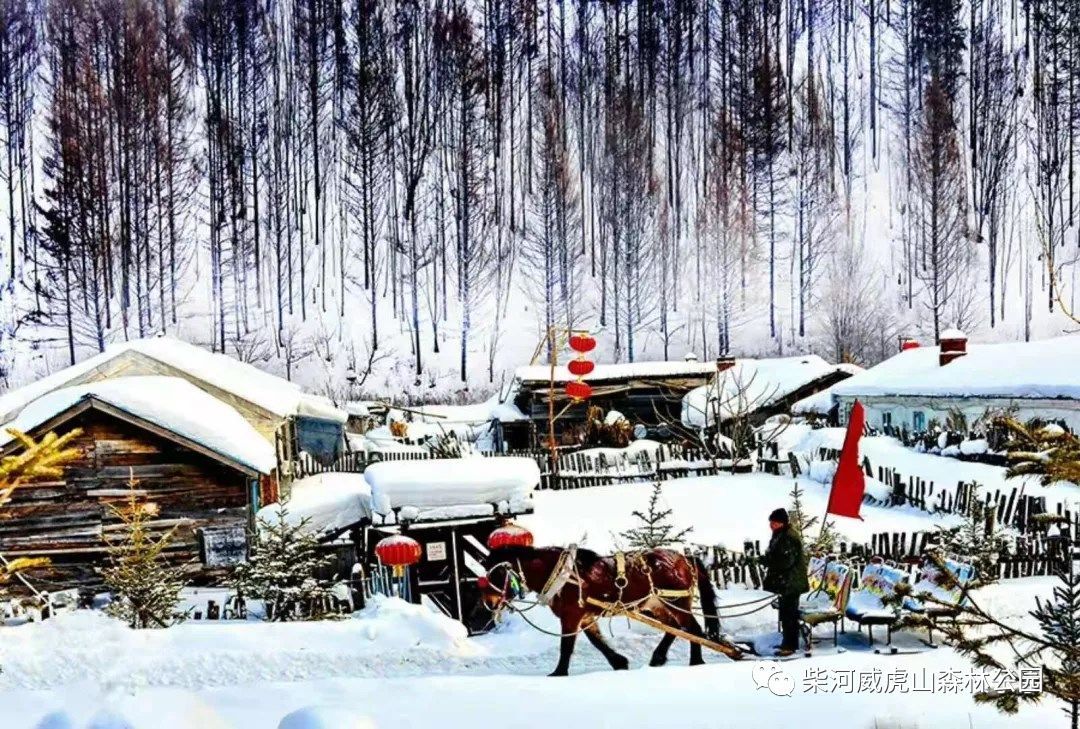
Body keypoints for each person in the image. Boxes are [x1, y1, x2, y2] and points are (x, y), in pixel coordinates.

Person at [763, 507, 808, 657]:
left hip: (791, 583)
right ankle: (786, 642)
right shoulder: (779, 534)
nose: (771, 525)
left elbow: (785, 562)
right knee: (786, 614)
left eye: (774, 522)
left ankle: (790, 645)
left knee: (789, 615)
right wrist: (766, 559)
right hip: (786, 583)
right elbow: (776, 556)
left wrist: (768, 561)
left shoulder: (788, 537)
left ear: (781, 523)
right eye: (771, 522)